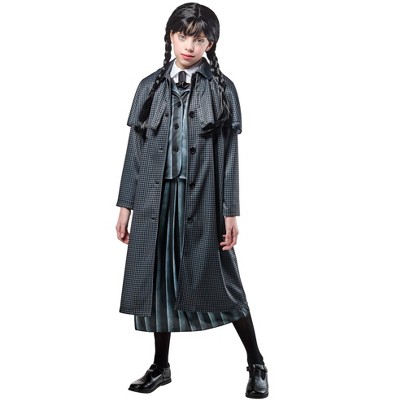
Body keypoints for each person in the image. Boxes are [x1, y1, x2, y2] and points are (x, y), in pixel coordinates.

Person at [115, 2, 268, 398]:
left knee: (224, 282)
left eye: (198, 39)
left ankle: (256, 362)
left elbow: (229, 156)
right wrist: (125, 205)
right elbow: (135, 151)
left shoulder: (222, 89)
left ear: (209, 44)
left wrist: (230, 210)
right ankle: (160, 366)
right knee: (157, 281)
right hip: (155, 200)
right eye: (183, 36)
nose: (189, 46)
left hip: (203, 200)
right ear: (170, 36)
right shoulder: (149, 86)